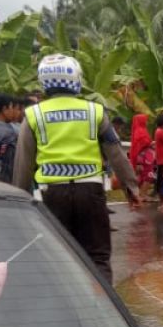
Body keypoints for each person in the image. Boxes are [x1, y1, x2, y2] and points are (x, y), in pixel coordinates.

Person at [12, 55, 141, 282]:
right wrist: (131, 187)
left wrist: (21, 197)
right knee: (98, 257)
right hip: (90, 191)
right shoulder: (95, 111)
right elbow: (115, 152)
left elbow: (23, 162)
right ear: (76, 79)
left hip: (51, 194)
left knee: (59, 256)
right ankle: (105, 309)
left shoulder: (33, 115)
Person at [128, 113, 154, 195]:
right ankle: (141, 195)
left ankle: (141, 194)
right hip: (143, 158)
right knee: (148, 176)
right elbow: (140, 146)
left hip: (146, 158)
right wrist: (151, 144)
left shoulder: (141, 130)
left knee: (145, 176)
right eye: (145, 120)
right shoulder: (140, 131)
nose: (146, 122)